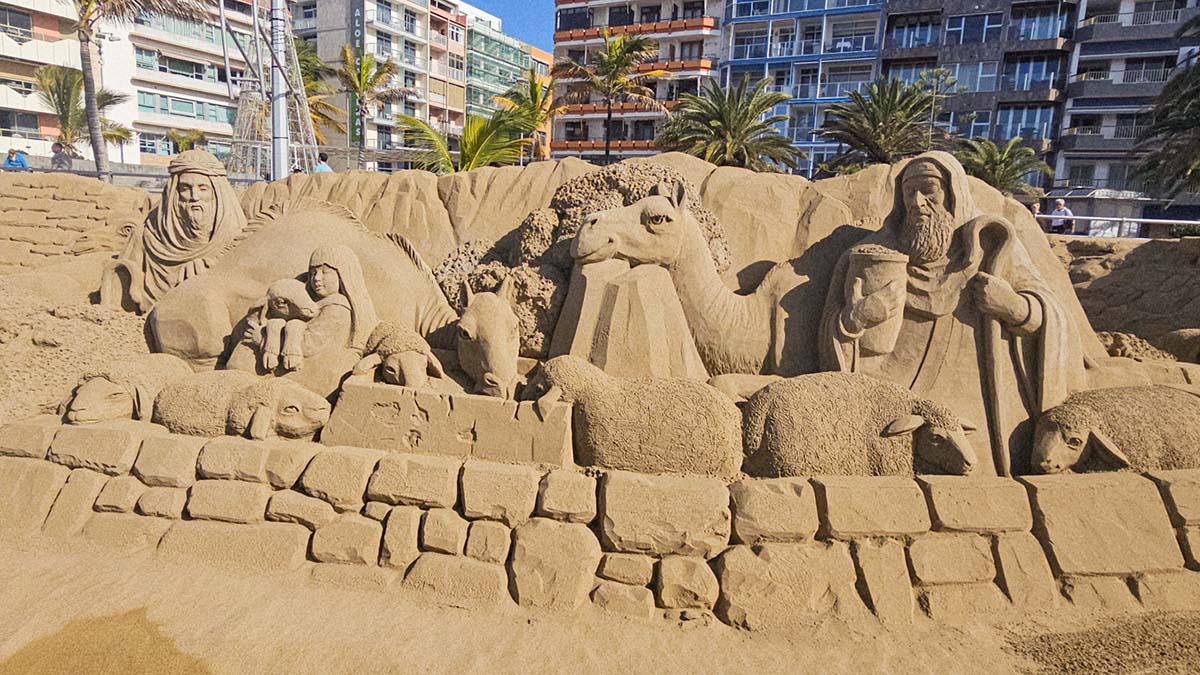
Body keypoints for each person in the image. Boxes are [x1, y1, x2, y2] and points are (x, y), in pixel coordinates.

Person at [820, 152, 1086, 476]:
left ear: (953, 193)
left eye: (929, 189)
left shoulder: (994, 248)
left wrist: (1014, 307)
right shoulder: (871, 257)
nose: (917, 202)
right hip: (895, 412)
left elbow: (1053, 315)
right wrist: (857, 318)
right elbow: (831, 332)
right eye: (908, 193)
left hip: (980, 418)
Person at [101, 149, 248, 312]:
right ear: (174, 193)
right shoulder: (147, 236)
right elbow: (119, 283)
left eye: (203, 188)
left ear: (217, 192)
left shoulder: (234, 235)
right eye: (185, 188)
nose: (194, 196)